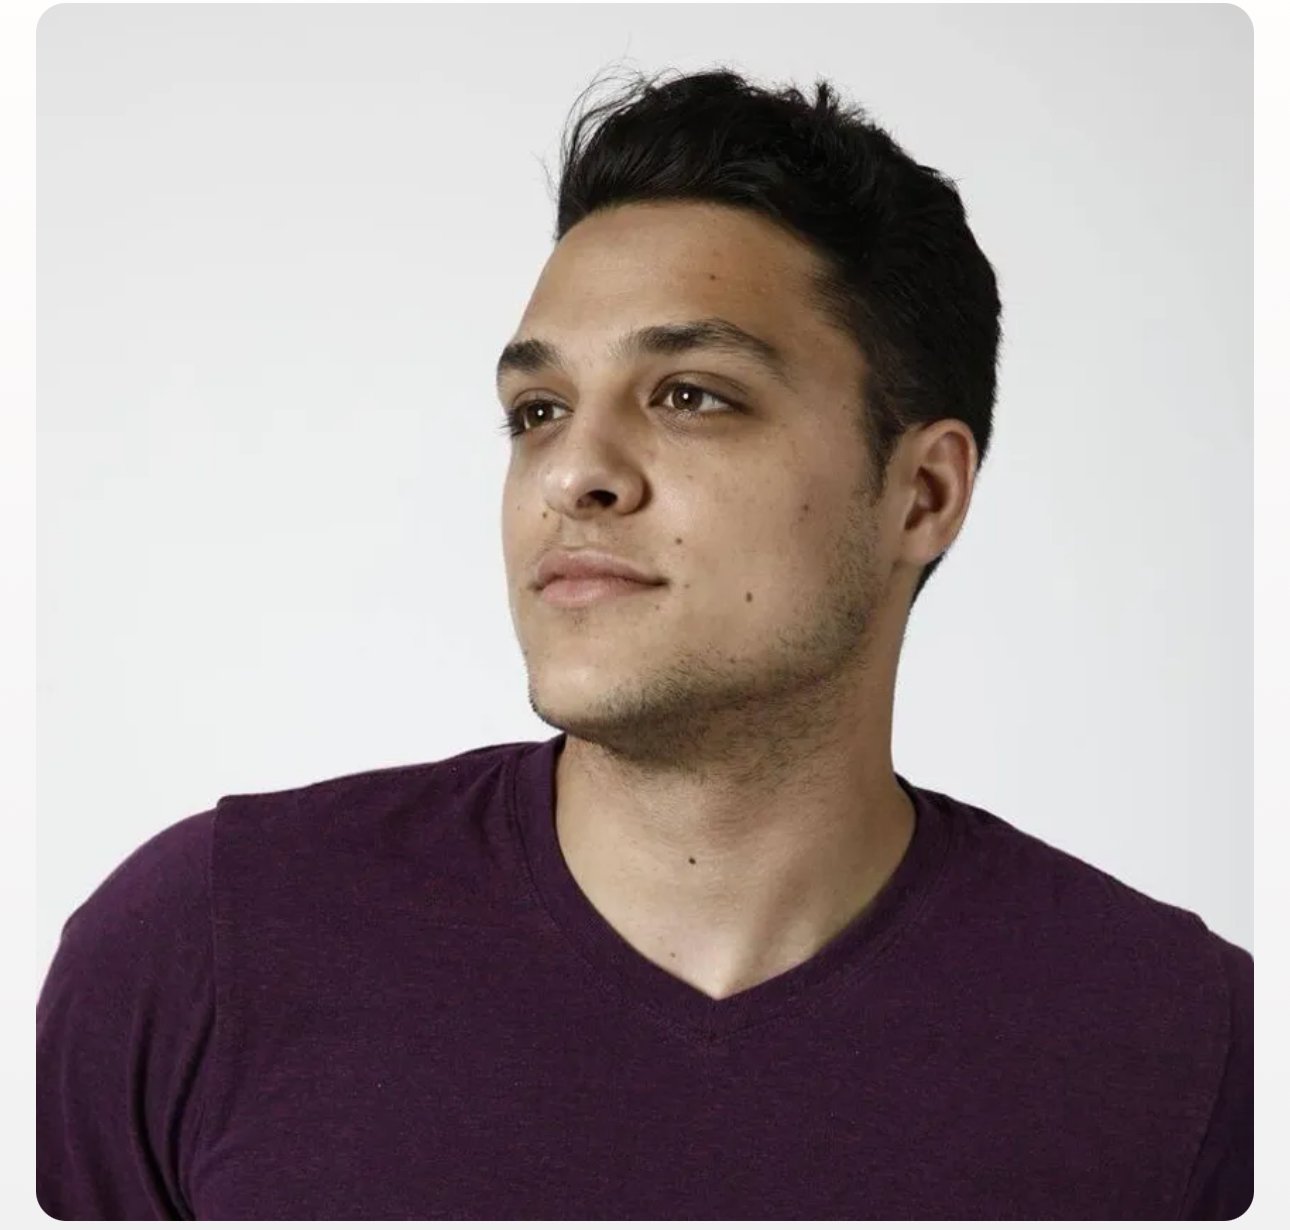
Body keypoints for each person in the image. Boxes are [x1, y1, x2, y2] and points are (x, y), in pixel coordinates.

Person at [37, 65, 1251, 1220]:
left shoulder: (1189, 1047)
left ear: (922, 494)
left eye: (691, 395)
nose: (573, 473)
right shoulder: (204, 951)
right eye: (538, 411)